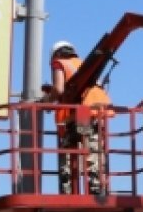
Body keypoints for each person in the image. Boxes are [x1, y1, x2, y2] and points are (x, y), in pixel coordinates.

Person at [46, 40, 111, 194]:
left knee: (69, 150)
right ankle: (97, 187)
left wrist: (46, 101)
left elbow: (58, 89)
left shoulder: (59, 63)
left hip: (79, 113)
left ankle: (68, 189)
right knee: (93, 149)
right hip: (96, 110)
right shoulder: (83, 64)